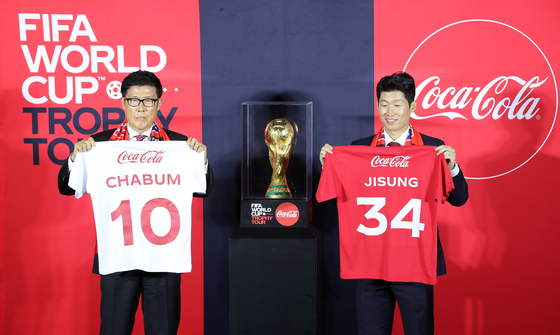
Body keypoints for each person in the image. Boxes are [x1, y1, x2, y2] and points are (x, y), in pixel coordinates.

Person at [58, 70, 214, 335]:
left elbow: (203, 190)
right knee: (113, 330)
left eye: (148, 100)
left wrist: (201, 161)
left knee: (163, 330)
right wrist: (75, 158)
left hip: (164, 258)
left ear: (159, 103)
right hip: (117, 257)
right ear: (123, 102)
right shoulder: (99, 144)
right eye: (134, 100)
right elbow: (65, 187)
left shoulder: (179, 145)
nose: (141, 108)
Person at [318, 71, 468, 335]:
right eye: (384, 104)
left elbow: (459, 199)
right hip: (370, 262)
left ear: (412, 106)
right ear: (377, 105)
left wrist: (453, 168)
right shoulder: (359, 148)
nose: (390, 111)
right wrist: (330, 169)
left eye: (397, 104)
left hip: (416, 262)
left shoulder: (433, 149)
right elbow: (337, 204)